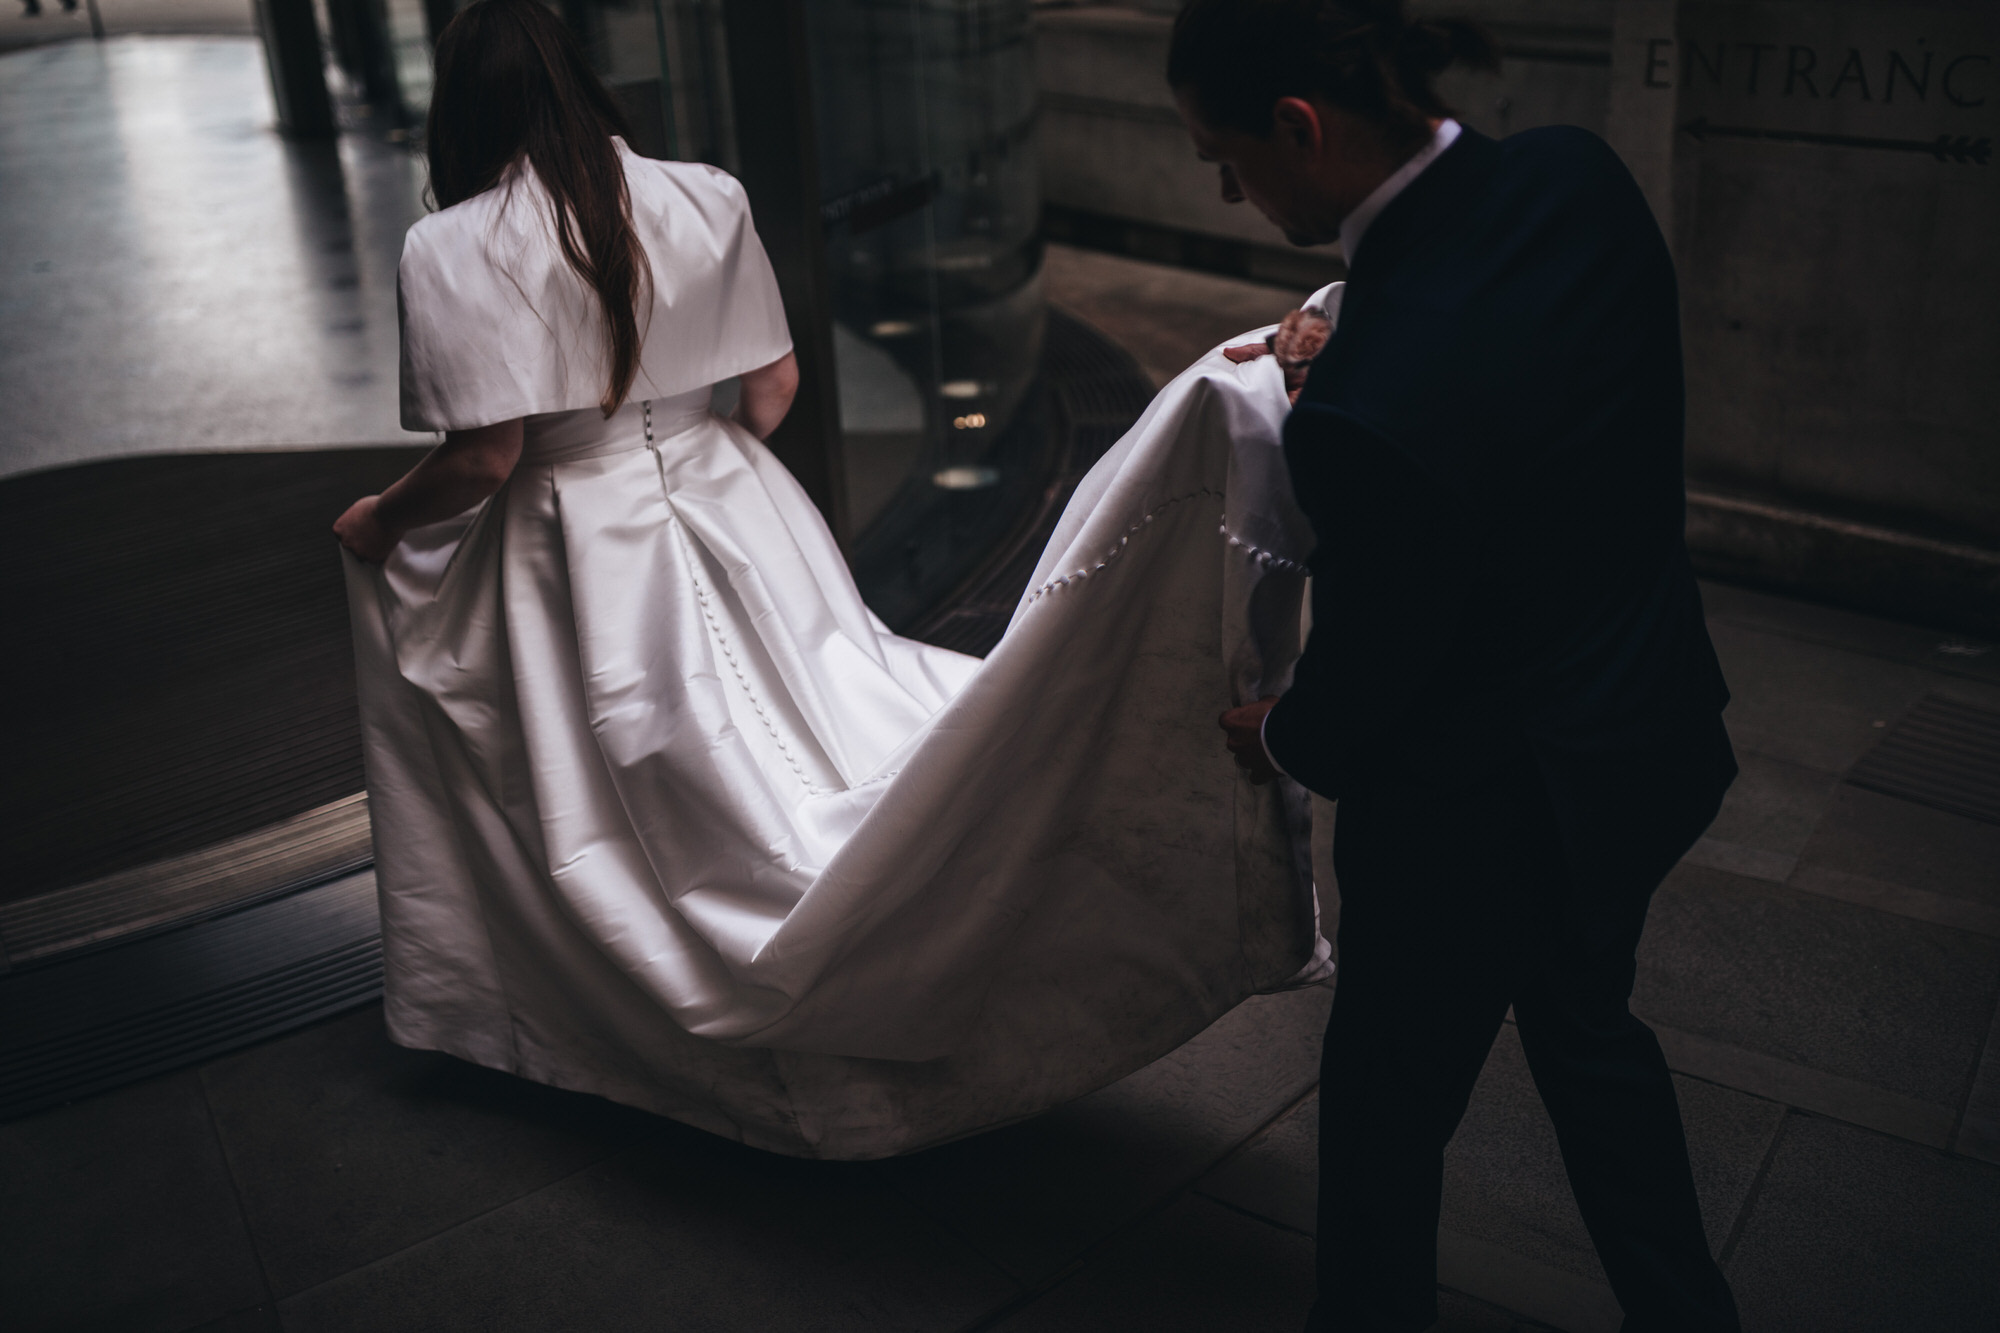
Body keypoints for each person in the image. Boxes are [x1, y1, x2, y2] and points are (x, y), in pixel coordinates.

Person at [334, 0, 1332, 1159]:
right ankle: (893, 915)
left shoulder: (453, 246)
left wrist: (375, 519)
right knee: (803, 725)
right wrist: (706, 464)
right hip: (732, 500)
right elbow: (771, 388)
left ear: (459, 108)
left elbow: (485, 457)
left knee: (590, 785)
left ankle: (566, 1013)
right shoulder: (703, 194)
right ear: (580, 79)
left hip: (571, 532)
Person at [1176, 2, 1743, 1330]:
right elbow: (1527, 419)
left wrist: (1287, 734)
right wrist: (1357, 348)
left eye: (1224, 152)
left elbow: (1379, 670)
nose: (1222, 182)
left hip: (1474, 816)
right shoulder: (1576, 178)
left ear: (1301, 130)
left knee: (1380, 1117)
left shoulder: (1371, 402)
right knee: (1592, 1039)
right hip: (1640, 736)